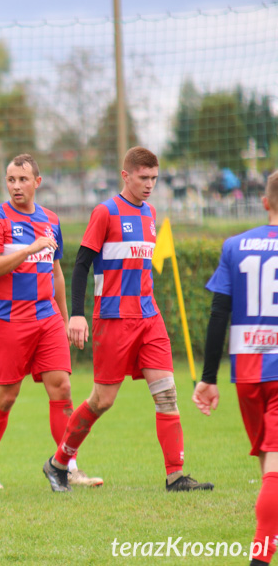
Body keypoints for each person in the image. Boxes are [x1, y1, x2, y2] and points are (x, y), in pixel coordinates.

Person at [42, 147, 213, 493]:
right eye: (143, 177)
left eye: (154, 178)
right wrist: (76, 314)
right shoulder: (105, 212)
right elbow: (79, 265)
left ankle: (175, 476)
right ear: (126, 176)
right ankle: (59, 463)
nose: (150, 184)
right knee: (101, 400)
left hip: (149, 317)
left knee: (167, 394)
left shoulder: (149, 213)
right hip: (114, 319)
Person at [0, 154, 102, 490]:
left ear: (37, 182)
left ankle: (67, 466)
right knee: (7, 395)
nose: (16, 186)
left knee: (61, 387)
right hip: (7, 318)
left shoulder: (51, 220)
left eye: (22, 179)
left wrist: (66, 319)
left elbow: (56, 273)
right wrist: (29, 249)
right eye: (11, 179)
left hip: (46, 318)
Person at [192, 170, 278, 566]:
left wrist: (208, 378)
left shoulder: (235, 246)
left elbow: (217, 315)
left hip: (247, 374)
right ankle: (260, 559)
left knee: (269, 465)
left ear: (265, 202)